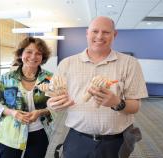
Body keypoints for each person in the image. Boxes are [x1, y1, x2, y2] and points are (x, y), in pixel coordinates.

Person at [47, 16, 148, 158]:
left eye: (106, 32)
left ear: (115, 34)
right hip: (77, 138)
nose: (99, 36)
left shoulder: (130, 63)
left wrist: (117, 103)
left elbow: (135, 106)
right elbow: (51, 99)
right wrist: (53, 104)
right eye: (95, 31)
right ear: (87, 33)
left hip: (115, 142)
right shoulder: (66, 63)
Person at [0, 37, 53, 158]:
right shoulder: (7, 77)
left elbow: (55, 106)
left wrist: (41, 112)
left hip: (39, 132)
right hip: (11, 132)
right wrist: (13, 112)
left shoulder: (49, 78)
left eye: (38, 53)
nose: (33, 56)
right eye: (29, 52)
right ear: (21, 54)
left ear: (43, 57)